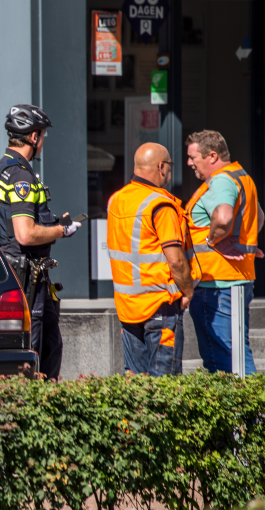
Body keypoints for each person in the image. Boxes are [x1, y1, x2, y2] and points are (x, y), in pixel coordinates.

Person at [0, 104, 81, 379]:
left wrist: (52, 223)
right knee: (36, 351)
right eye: (43, 135)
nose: (43, 140)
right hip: (26, 274)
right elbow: (24, 233)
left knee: (51, 343)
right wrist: (62, 231)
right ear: (33, 137)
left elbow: (8, 220)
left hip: (13, 267)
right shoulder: (21, 175)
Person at [107, 143, 199, 376]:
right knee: (163, 386)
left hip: (127, 307)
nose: (170, 171)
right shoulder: (161, 205)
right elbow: (176, 261)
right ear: (161, 166)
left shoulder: (116, 200)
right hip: (160, 306)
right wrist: (187, 291)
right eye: (170, 165)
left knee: (135, 385)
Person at [185, 130, 264, 374]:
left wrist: (213, 240)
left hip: (217, 284)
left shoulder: (220, 181)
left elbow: (223, 217)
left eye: (193, 157)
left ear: (211, 156)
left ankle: (249, 413)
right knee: (235, 354)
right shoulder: (241, 177)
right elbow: (259, 217)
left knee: (225, 359)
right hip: (235, 279)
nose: (189, 163)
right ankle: (249, 409)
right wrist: (240, 240)